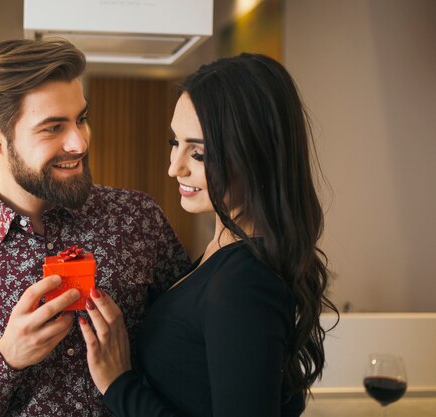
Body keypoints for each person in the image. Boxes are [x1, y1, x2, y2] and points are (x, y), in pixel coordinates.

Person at [0, 39, 190, 417]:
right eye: (53, 127)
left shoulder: (139, 219)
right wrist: (5, 360)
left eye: (81, 119)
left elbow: (194, 355)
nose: (79, 141)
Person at [78, 53, 339, 417]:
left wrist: (119, 386)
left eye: (198, 153)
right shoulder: (224, 251)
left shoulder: (244, 282)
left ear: (257, 155)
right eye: (175, 143)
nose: (174, 168)